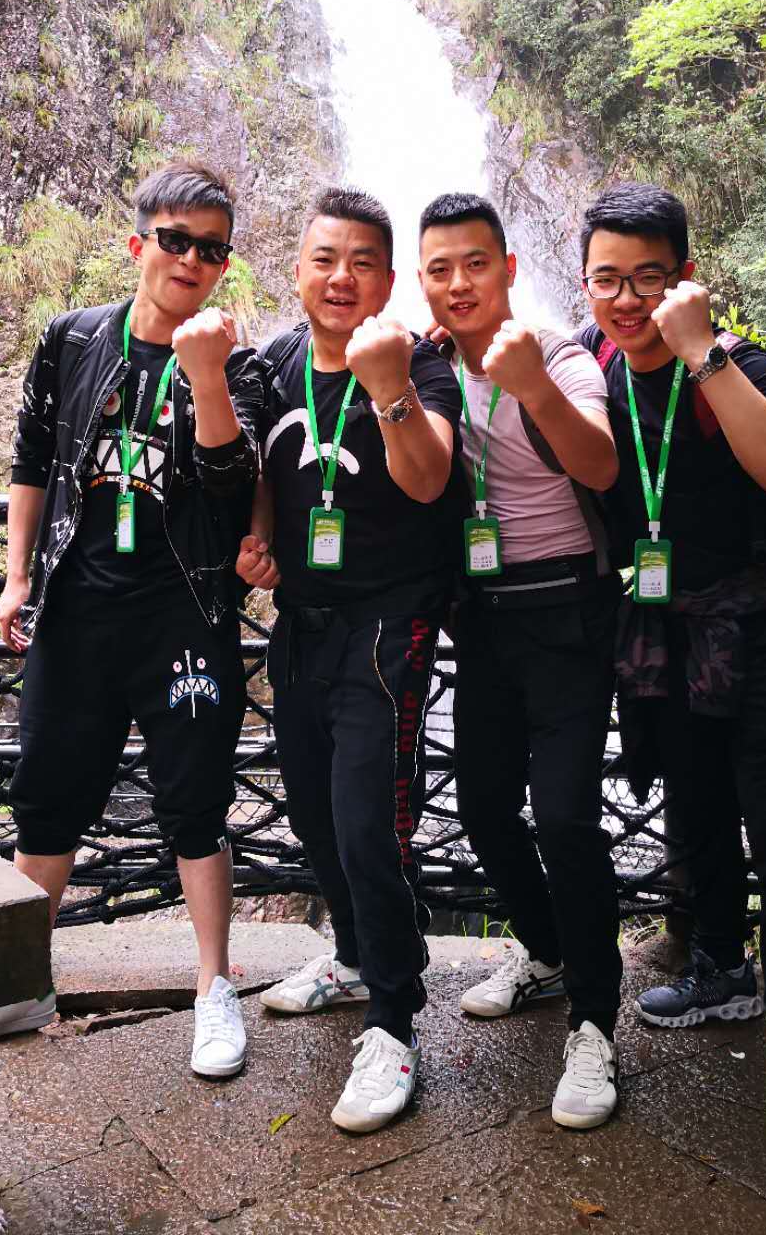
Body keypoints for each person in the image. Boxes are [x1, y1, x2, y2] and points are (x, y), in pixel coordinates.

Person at [0, 161, 263, 1082]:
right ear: (138, 242)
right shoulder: (73, 340)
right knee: (48, 792)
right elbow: (32, 458)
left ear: (224, 265)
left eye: (211, 249)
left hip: (185, 614)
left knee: (195, 800)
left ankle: (214, 987)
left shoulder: (238, 361)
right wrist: (17, 577)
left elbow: (232, 486)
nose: (191, 259)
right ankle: (21, 984)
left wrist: (207, 373)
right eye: (176, 240)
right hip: (77, 608)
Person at [576, 181, 766, 1156]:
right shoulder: (595, 366)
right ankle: (723, 967)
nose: (627, 299)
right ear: (585, 281)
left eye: (648, 278)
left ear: (686, 277)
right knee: (695, 814)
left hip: (760, 633)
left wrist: (703, 353)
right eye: (607, 278)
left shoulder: (735, 362)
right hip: (665, 636)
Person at [235, 186, 462, 1133]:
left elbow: (432, 477)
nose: (342, 278)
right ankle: (357, 956)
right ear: (297, 269)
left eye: (363, 262)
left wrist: (389, 389)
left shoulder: (418, 363)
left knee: (372, 823)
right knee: (315, 812)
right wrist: (257, 538)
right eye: (325, 259)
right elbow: (262, 467)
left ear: (388, 277)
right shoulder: (276, 362)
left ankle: (395, 1021)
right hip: (300, 622)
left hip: (387, 625)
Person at [418, 192, 624, 1131]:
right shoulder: (425, 369)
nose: (459, 283)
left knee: (569, 818)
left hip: (570, 611)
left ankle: (596, 1021)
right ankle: (545, 952)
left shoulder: (560, 355)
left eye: (475, 263)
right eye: (440, 269)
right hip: (485, 620)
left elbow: (601, 465)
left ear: (507, 266)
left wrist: (532, 384)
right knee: (484, 809)